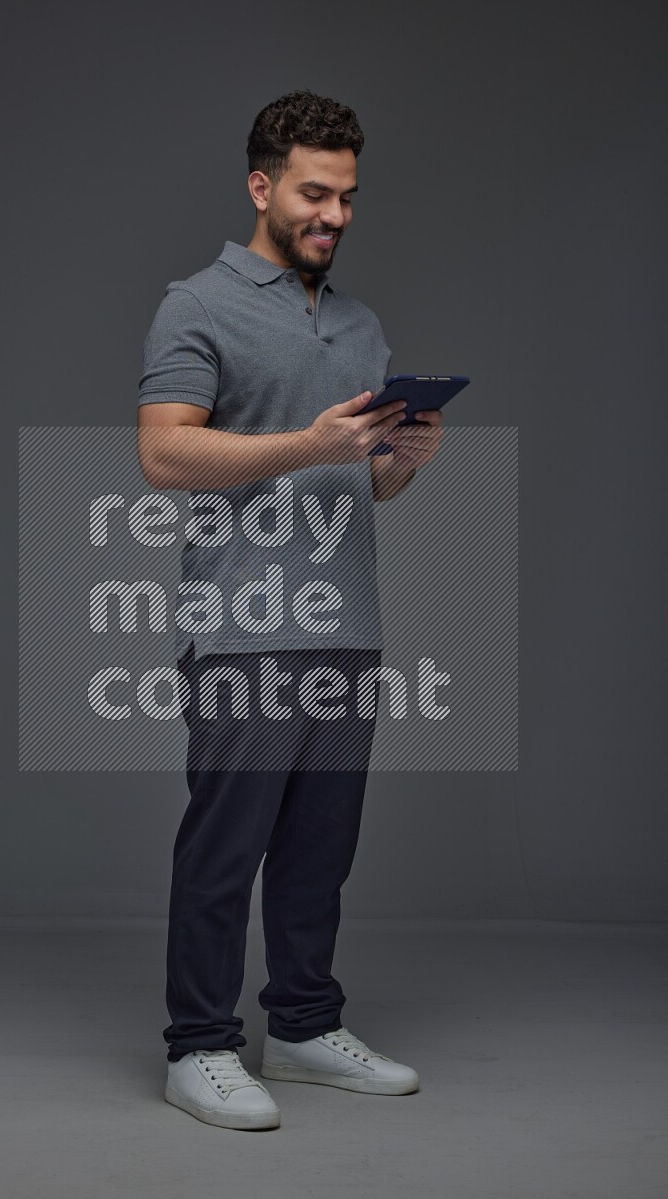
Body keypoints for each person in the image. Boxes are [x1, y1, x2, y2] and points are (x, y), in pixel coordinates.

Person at [137, 89, 443, 1131]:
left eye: (348, 196)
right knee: (226, 848)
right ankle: (199, 1045)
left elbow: (368, 487)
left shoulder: (359, 323)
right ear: (262, 187)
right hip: (242, 624)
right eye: (316, 193)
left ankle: (305, 1028)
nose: (335, 214)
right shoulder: (195, 305)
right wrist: (309, 445)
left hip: (344, 625)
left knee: (321, 848)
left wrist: (400, 460)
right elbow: (164, 451)